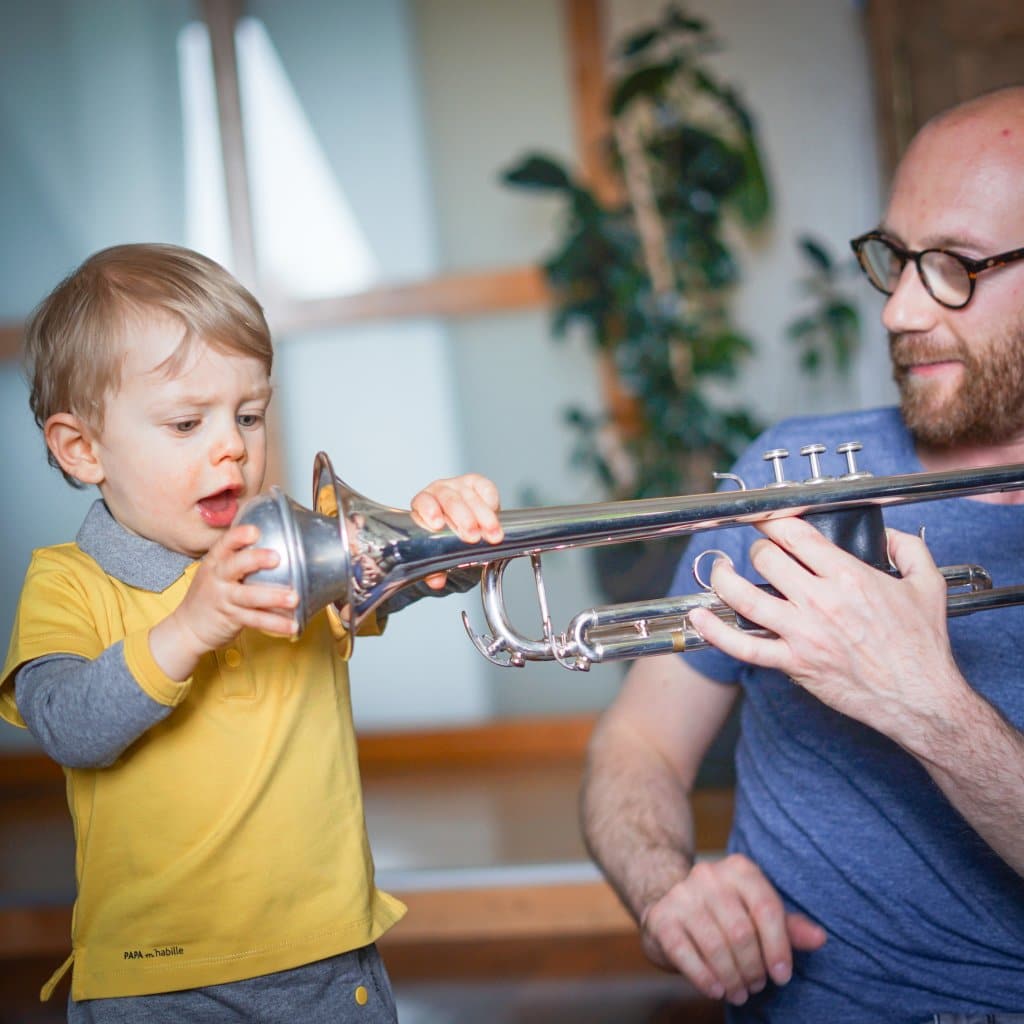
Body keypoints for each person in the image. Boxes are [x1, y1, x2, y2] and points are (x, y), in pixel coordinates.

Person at [581, 86, 1024, 1023]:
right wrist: (667, 889)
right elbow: (640, 742)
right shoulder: (793, 467)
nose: (899, 310)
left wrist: (926, 702)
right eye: (894, 259)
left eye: (952, 265)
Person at [0, 243, 505, 1023]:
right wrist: (190, 625)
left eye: (247, 414)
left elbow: (413, 583)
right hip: (157, 982)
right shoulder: (68, 580)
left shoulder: (297, 552)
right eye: (185, 421)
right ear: (82, 448)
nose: (231, 444)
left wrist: (451, 535)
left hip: (330, 960)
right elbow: (68, 727)